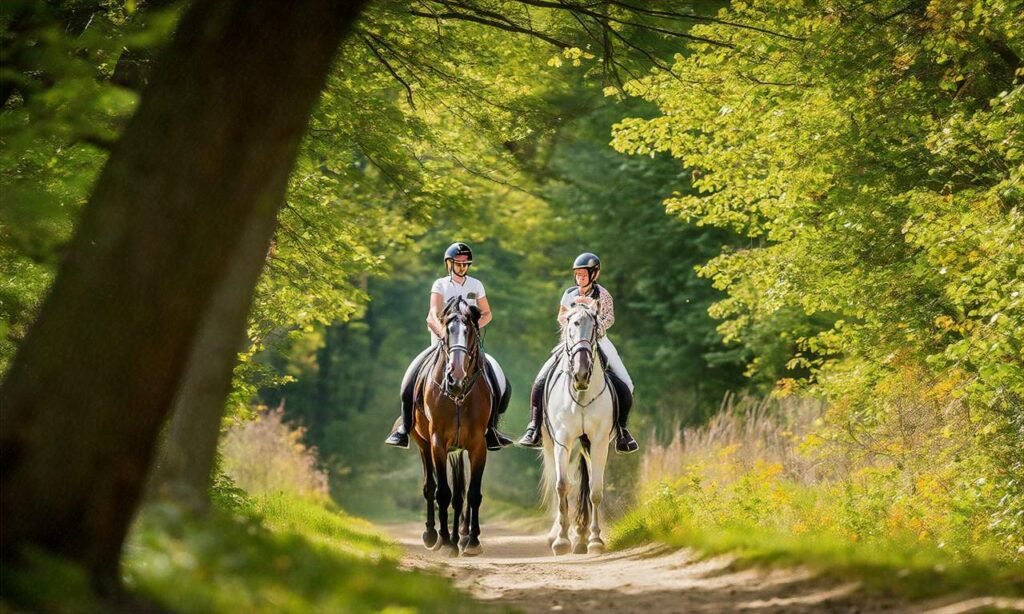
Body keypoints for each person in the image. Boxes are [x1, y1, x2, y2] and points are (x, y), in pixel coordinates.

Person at [384, 242, 513, 450]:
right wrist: (445, 334)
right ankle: (404, 429)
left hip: (469, 346)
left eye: (465, 264)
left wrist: (471, 329)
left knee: (500, 380)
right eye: (458, 264)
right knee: (409, 379)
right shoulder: (440, 285)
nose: (462, 268)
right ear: (449, 264)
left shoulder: (476, 285)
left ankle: (492, 430)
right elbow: (432, 315)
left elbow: (487, 313)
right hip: (441, 345)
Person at [517, 252, 639, 454]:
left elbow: (610, 319)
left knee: (627, 383)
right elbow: (561, 316)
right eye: (578, 274)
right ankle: (534, 427)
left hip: (598, 340)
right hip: (571, 343)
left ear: (594, 274)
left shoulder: (603, 295)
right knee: (540, 379)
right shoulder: (569, 294)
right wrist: (575, 323)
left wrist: (594, 325)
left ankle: (622, 430)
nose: (580, 278)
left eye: (584, 274)